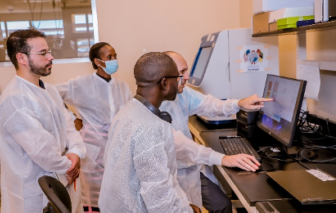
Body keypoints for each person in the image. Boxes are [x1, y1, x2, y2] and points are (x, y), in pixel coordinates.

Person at [160, 51, 271, 213]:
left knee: (222, 205)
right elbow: (179, 145)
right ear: (166, 75)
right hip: (169, 175)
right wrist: (224, 159)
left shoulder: (181, 94)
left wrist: (239, 103)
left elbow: (210, 105)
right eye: (182, 72)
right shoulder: (153, 106)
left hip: (190, 167)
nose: (187, 77)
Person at [0, 29, 86, 213]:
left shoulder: (50, 90)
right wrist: (68, 168)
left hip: (63, 179)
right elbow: (41, 150)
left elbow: (69, 125)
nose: (51, 57)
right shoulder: (15, 100)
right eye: (43, 53)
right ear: (21, 58)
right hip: (34, 191)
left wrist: (76, 152)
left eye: (49, 51)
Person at [99, 52, 201, 213]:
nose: (180, 81)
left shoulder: (128, 110)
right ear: (165, 83)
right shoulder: (149, 128)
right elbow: (160, 201)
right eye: (178, 77)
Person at [55, 42, 133, 212]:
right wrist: (72, 118)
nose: (114, 60)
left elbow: (131, 113)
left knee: (116, 194)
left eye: (115, 56)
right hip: (93, 149)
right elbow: (52, 94)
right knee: (92, 198)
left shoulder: (122, 86)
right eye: (109, 57)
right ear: (97, 62)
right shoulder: (81, 84)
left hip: (118, 148)